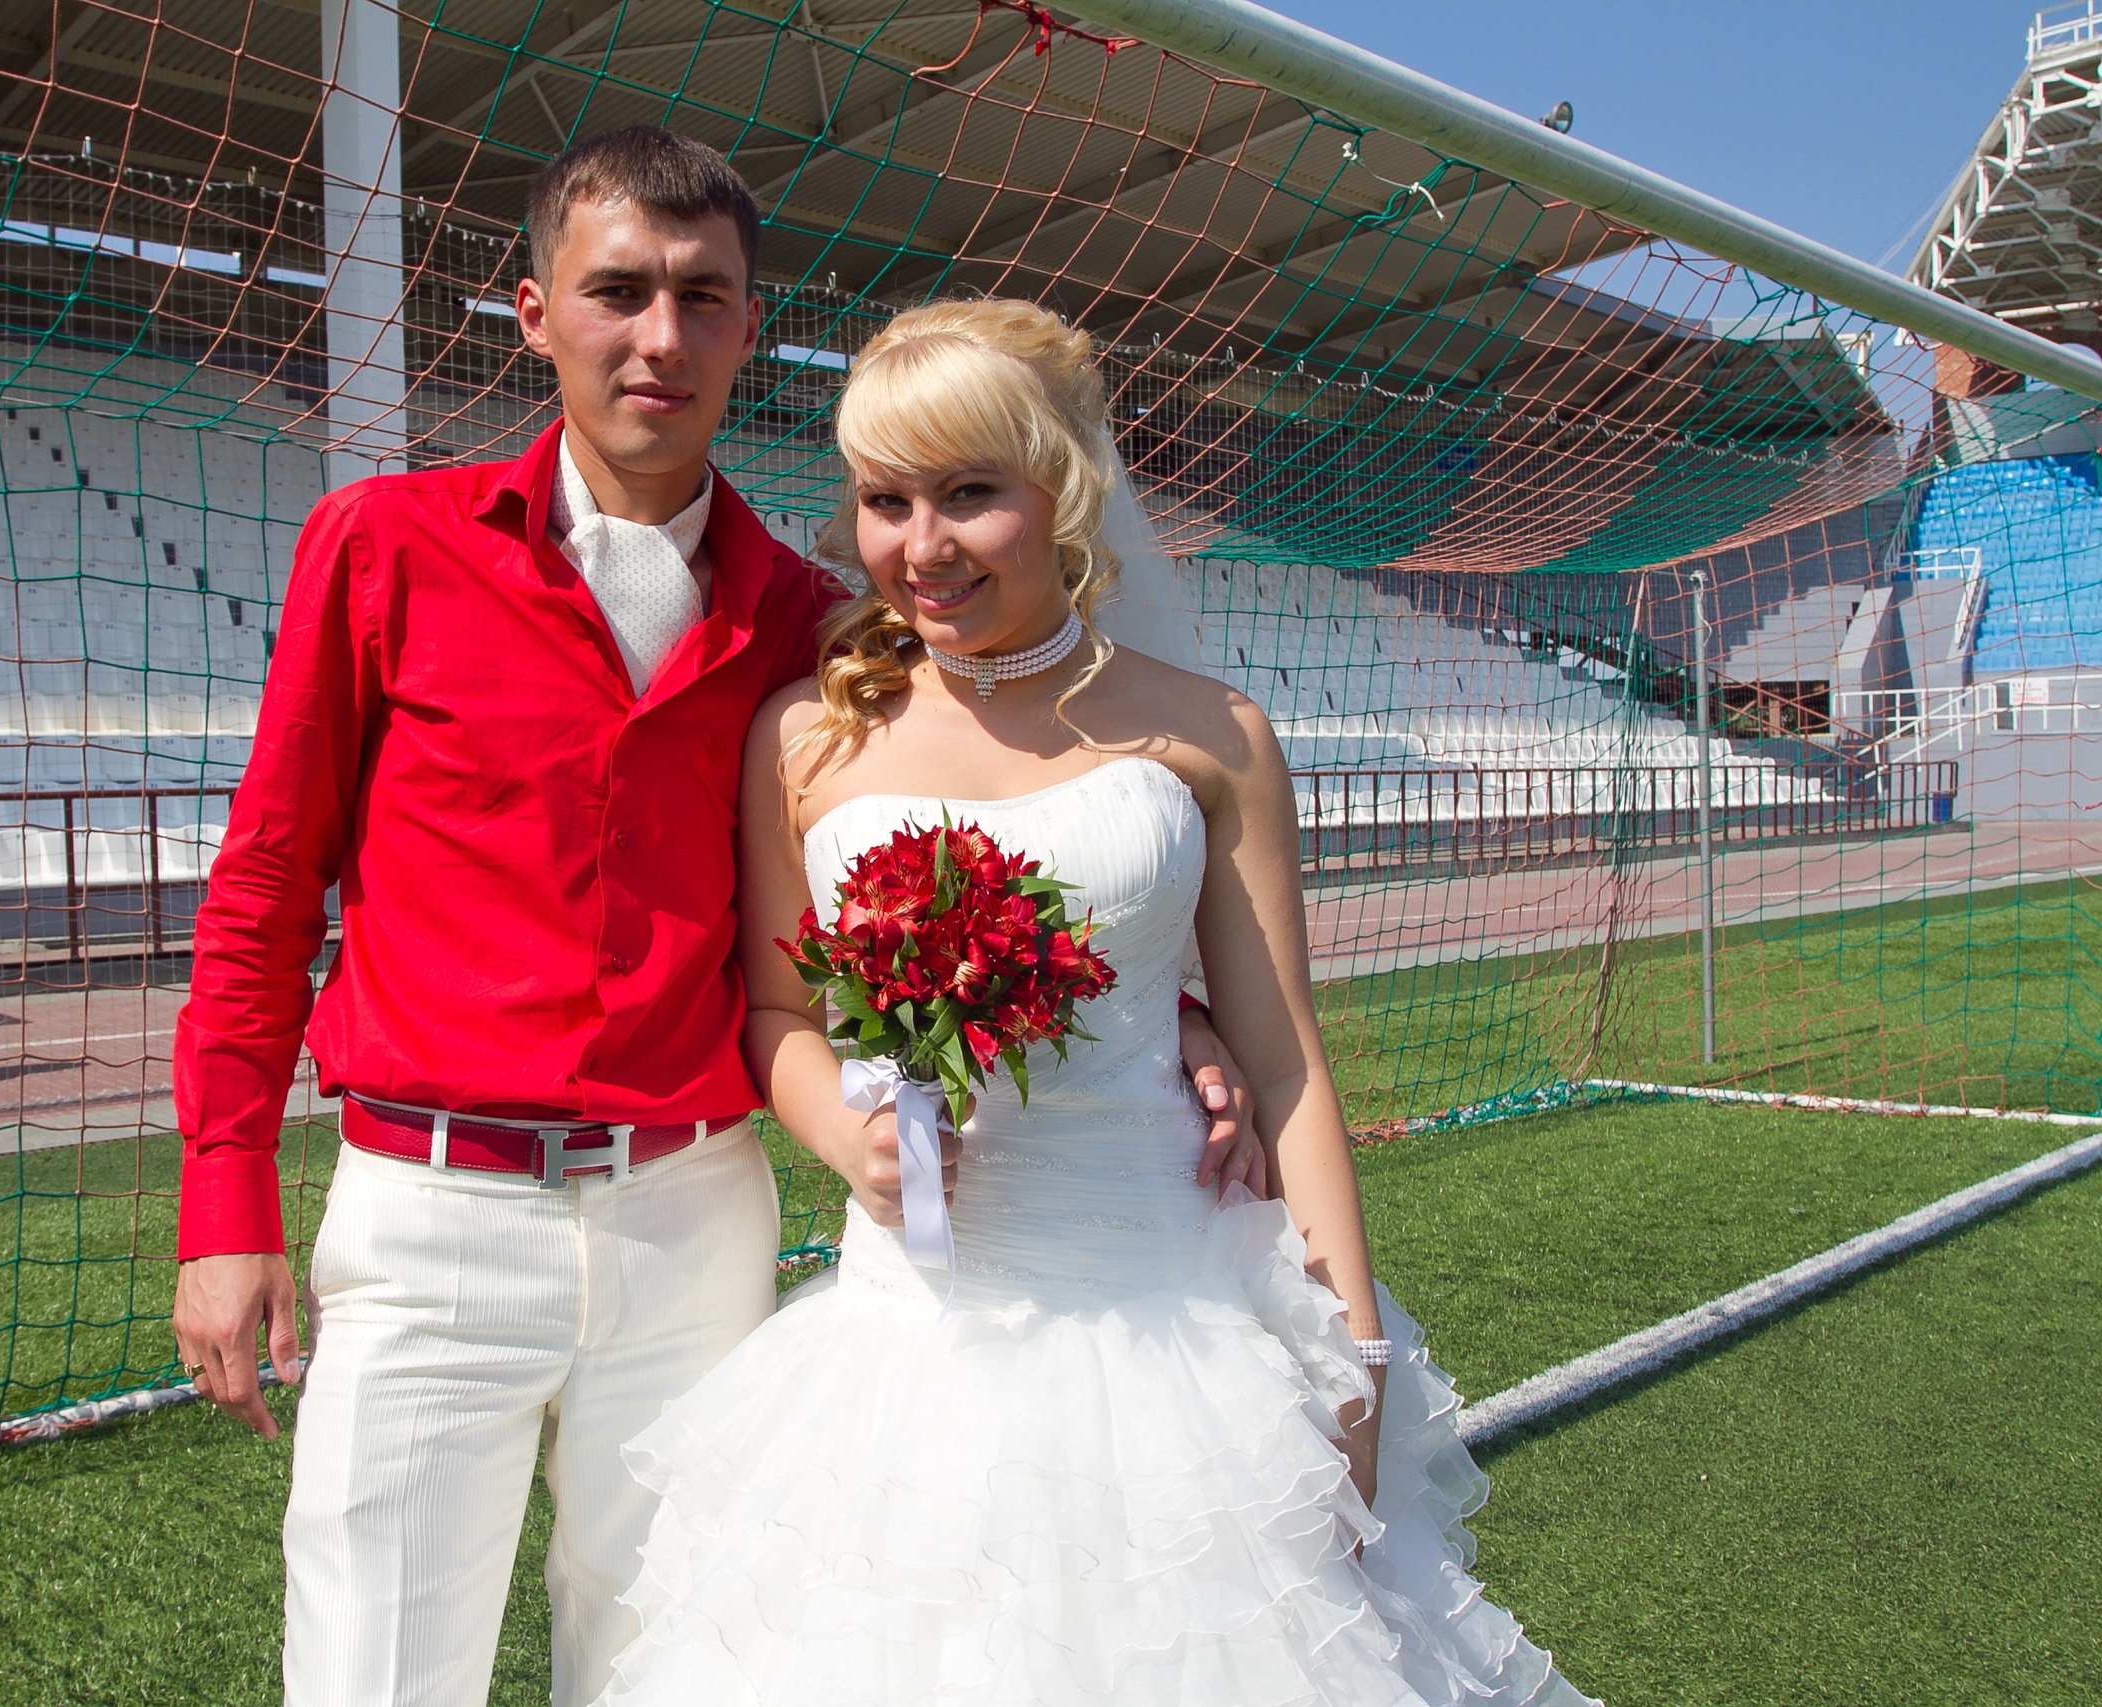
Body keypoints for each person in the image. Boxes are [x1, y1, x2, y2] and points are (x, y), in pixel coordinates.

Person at [169, 130, 1252, 1707]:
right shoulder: (382, 546)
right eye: (618, 291)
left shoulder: (827, 630)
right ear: (535, 312)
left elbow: (1006, 827)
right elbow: (265, 888)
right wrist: (225, 1203)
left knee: (671, 1665)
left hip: (694, 1221)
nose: (659, 336)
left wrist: (1178, 1012)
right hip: (431, 1217)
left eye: (701, 296)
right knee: (371, 1676)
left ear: (752, 325)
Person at [596, 300, 1596, 1706]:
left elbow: (1283, 1062)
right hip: (906, 1350)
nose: (922, 546)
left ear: (1062, 492)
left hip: (1174, 1330)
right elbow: (778, 1013)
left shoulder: (1212, 734)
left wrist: (1354, 1349)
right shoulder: (806, 739)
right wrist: (847, 1135)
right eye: (886, 499)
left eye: (970, 494)